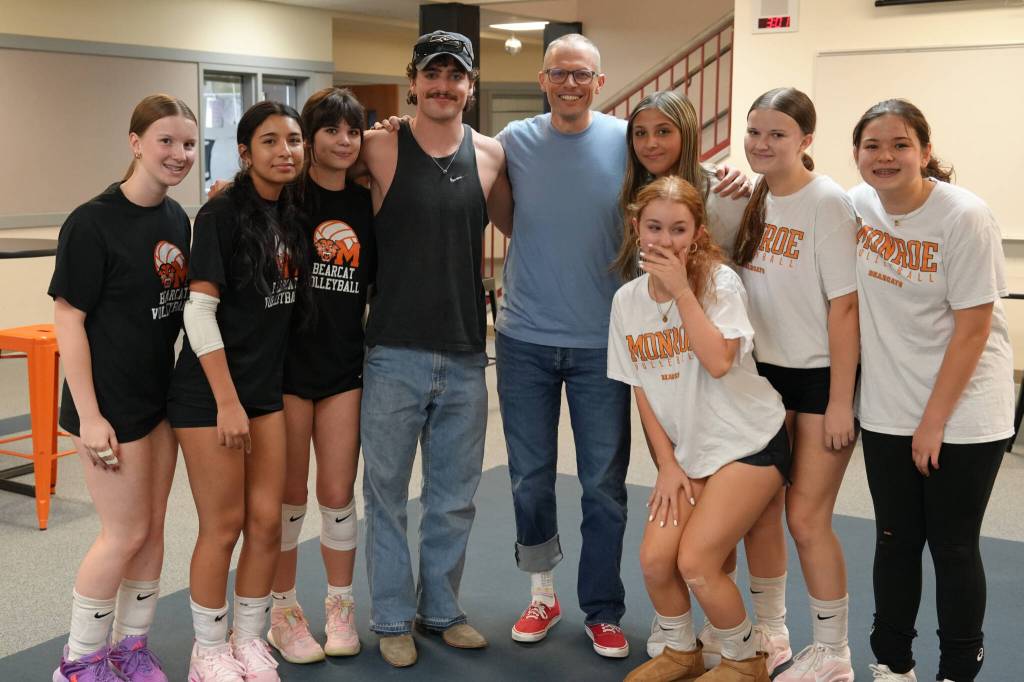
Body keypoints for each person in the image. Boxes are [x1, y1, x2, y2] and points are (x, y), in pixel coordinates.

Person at [495, 35, 746, 658]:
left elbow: (682, 178)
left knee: (603, 485)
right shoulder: (513, 142)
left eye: (581, 73)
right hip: (524, 337)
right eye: (559, 73)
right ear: (543, 78)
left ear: (599, 80)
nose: (570, 83)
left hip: (602, 346)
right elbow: (449, 153)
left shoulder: (626, 140)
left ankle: (602, 608)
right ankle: (542, 591)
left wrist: (734, 172)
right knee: (529, 479)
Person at [355, 30, 509, 668]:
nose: (444, 86)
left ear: (470, 87)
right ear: (413, 81)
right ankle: (391, 616)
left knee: (453, 495)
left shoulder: (493, 154)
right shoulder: (378, 145)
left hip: (468, 351)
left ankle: (441, 609)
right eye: (433, 75)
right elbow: (301, 170)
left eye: (457, 76)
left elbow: (523, 225)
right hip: (393, 349)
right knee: (386, 491)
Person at [849, 99, 1012, 682]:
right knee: (894, 540)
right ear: (857, 153)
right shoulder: (858, 204)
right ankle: (892, 662)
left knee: (953, 545)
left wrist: (934, 421)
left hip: (964, 412)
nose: (885, 156)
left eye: (899, 144)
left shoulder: (963, 216)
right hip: (889, 407)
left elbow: (972, 330)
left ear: (923, 150)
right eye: (873, 145)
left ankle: (957, 666)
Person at [610, 176, 788, 682]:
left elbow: (716, 362)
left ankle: (744, 658)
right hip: (690, 453)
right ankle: (683, 651)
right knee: (654, 561)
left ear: (698, 232)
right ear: (635, 227)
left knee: (697, 562)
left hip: (749, 443)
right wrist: (666, 465)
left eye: (678, 229)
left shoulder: (720, 284)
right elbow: (640, 389)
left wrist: (683, 288)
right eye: (654, 227)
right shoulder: (626, 301)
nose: (665, 240)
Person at [49, 94, 197, 682]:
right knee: (125, 531)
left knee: (154, 526)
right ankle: (79, 660)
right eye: (165, 141)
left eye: (188, 143)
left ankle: (130, 648)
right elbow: (69, 319)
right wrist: (89, 415)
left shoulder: (176, 219)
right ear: (135, 143)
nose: (179, 154)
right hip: (107, 404)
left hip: (159, 398)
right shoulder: (92, 221)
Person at [167, 101, 307, 682]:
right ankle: (208, 651)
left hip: (265, 393)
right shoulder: (220, 213)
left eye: (294, 140)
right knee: (222, 527)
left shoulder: (294, 212)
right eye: (270, 141)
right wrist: (226, 401)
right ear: (245, 153)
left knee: (268, 523)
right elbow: (199, 313)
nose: (286, 151)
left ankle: (249, 641)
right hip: (211, 396)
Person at [730, 87, 860, 680]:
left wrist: (839, 402)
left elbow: (846, 307)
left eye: (777, 134)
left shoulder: (826, 202)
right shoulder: (757, 192)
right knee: (761, 513)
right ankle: (773, 632)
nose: (761, 144)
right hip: (763, 376)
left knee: (807, 519)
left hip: (816, 378)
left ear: (806, 141)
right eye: (755, 131)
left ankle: (834, 653)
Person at [265, 87, 373, 664]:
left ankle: (340, 605)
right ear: (311, 139)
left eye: (353, 132)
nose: (343, 141)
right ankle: (283, 610)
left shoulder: (366, 202)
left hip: (342, 367)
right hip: (285, 368)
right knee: (289, 496)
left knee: (336, 494)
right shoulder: (286, 199)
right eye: (329, 130)